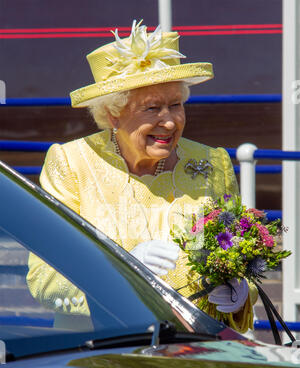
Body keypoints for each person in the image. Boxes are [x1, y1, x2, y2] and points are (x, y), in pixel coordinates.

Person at [26, 20, 256, 332]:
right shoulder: (71, 164)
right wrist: (121, 271)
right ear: (113, 114)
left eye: (176, 105)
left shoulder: (212, 163)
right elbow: (45, 277)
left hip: (196, 350)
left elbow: (236, 258)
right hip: (104, 354)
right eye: (151, 109)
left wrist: (239, 292)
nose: (171, 122)